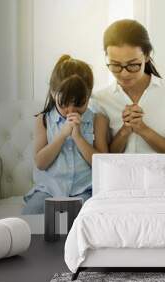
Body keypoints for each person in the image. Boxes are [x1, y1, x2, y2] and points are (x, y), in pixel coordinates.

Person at [22, 55, 108, 214]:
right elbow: (40, 163)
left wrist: (78, 137)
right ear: (54, 94)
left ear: (89, 96)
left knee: (92, 217)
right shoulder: (44, 120)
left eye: (79, 103)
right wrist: (61, 136)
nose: (71, 110)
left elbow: (101, 165)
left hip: (84, 191)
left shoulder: (98, 120)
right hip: (48, 191)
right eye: (64, 103)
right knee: (29, 217)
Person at [91, 19, 165, 153]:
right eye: (115, 65)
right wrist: (124, 131)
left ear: (147, 56)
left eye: (132, 65)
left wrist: (143, 129)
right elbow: (104, 158)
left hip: (160, 173)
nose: (124, 73)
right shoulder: (100, 99)